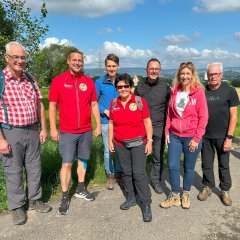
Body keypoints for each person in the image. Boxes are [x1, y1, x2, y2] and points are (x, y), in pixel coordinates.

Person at [0, 41, 52, 225]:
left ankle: (35, 199)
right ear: (7, 57)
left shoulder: (30, 78)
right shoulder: (1, 80)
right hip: (10, 132)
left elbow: (39, 104)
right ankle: (17, 207)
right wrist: (1, 140)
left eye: (23, 57)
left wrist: (43, 128)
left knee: (34, 166)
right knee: (13, 170)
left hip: (32, 129)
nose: (20, 61)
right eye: (16, 57)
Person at [48, 49, 101, 215]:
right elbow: (52, 105)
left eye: (80, 60)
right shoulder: (59, 81)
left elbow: (93, 105)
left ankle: (80, 188)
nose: (78, 63)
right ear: (68, 61)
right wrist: (53, 128)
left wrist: (98, 125)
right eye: (75, 60)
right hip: (67, 131)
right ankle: (65, 195)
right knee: (67, 163)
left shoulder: (88, 82)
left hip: (86, 130)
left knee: (83, 160)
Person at [160, 62, 208, 209]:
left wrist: (197, 138)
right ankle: (175, 195)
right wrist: (167, 131)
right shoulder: (174, 91)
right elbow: (169, 114)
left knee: (188, 167)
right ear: (179, 75)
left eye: (188, 73)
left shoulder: (198, 93)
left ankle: (185, 193)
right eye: (183, 73)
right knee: (173, 166)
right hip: (174, 135)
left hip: (191, 137)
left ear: (192, 75)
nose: (185, 76)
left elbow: (204, 117)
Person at [108, 73, 153, 222]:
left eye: (126, 86)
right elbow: (111, 123)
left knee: (139, 174)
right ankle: (131, 197)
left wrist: (150, 141)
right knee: (126, 173)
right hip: (120, 144)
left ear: (130, 87)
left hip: (139, 143)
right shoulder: (114, 103)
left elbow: (147, 122)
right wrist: (110, 141)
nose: (123, 89)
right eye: (119, 87)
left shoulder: (139, 101)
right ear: (116, 88)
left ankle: (146, 204)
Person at [197, 62, 239, 206]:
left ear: (221, 75)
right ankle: (208, 187)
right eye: (210, 74)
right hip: (205, 135)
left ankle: (224, 190)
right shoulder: (202, 91)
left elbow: (234, 117)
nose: (213, 77)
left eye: (216, 74)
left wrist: (229, 138)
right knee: (206, 164)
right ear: (207, 75)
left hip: (223, 136)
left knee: (224, 164)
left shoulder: (230, 91)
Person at [135, 58, 170, 194]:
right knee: (140, 158)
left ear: (160, 71)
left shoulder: (165, 87)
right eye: (151, 68)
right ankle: (140, 182)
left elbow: (170, 108)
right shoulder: (139, 88)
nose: (154, 71)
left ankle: (156, 181)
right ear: (146, 70)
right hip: (142, 129)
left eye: (156, 69)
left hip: (159, 128)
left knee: (157, 157)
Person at [95, 54, 121, 190]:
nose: (111, 68)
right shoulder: (99, 82)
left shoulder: (122, 81)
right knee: (108, 150)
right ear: (106, 67)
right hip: (106, 122)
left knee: (120, 149)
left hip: (121, 123)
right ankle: (110, 175)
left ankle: (119, 172)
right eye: (109, 66)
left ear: (118, 66)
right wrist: (104, 111)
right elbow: (93, 102)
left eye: (114, 66)